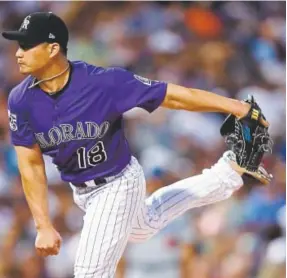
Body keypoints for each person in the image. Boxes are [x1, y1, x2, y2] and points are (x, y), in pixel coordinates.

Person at [2, 12, 269, 278]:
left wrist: (234, 106)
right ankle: (230, 172)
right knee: (144, 225)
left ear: (52, 49)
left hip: (117, 183)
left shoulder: (101, 83)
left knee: (89, 272)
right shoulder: (21, 100)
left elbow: (172, 96)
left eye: (27, 45)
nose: (18, 53)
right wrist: (43, 225)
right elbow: (30, 163)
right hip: (83, 192)